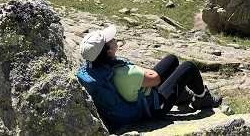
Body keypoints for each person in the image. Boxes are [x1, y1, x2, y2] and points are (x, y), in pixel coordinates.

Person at [78, 25, 223, 122]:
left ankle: (182, 95)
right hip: (152, 109)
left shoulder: (97, 67)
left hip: (139, 96)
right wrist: (137, 69)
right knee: (188, 67)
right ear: (108, 52)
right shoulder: (124, 73)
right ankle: (202, 98)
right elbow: (155, 79)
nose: (114, 38)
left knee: (171, 60)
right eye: (111, 40)